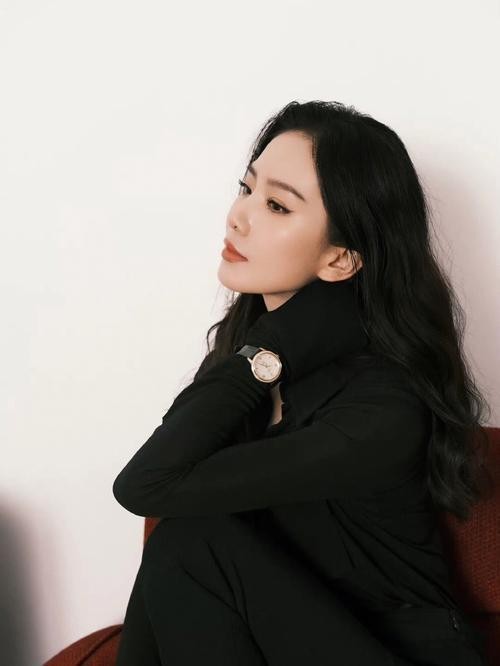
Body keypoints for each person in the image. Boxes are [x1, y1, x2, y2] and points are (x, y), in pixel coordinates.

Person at [112, 100, 492, 665]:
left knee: (192, 544)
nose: (238, 217)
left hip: (399, 653)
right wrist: (268, 346)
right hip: (285, 641)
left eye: (276, 205)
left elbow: (144, 485)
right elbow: (158, 487)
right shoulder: (249, 362)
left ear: (340, 260)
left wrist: (276, 343)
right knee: (181, 544)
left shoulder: (383, 405)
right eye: (246, 189)